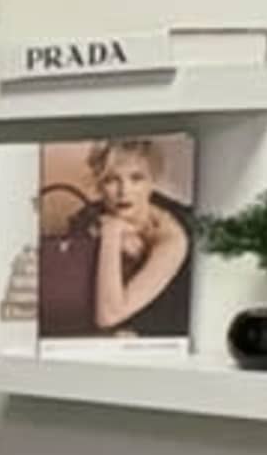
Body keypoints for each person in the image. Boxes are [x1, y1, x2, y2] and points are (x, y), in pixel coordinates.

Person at [37, 135, 193, 342]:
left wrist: (110, 234)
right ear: (99, 185)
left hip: (165, 344)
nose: (124, 191)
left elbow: (108, 316)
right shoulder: (88, 217)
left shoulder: (171, 237)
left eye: (136, 178)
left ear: (152, 182)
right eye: (111, 180)